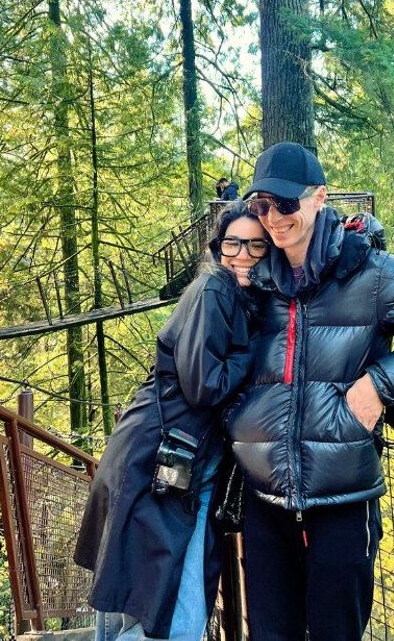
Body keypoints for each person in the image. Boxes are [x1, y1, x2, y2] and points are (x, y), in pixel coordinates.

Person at [226, 141, 394, 639]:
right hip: (263, 495)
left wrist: (380, 385)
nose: (274, 218)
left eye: (286, 203)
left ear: (319, 197)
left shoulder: (373, 273)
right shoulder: (249, 280)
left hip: (342, 495)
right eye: (261, 205)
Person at [74, 201, 271, 640]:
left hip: (168, 456)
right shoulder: (213, 291)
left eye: (257, 246)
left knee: (148, 591)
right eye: (234, 244)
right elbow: (204, 386)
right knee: (170, 599)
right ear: (218, 247)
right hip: (161, 457)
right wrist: (251, 357)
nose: (243, 255)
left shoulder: (239, 299)